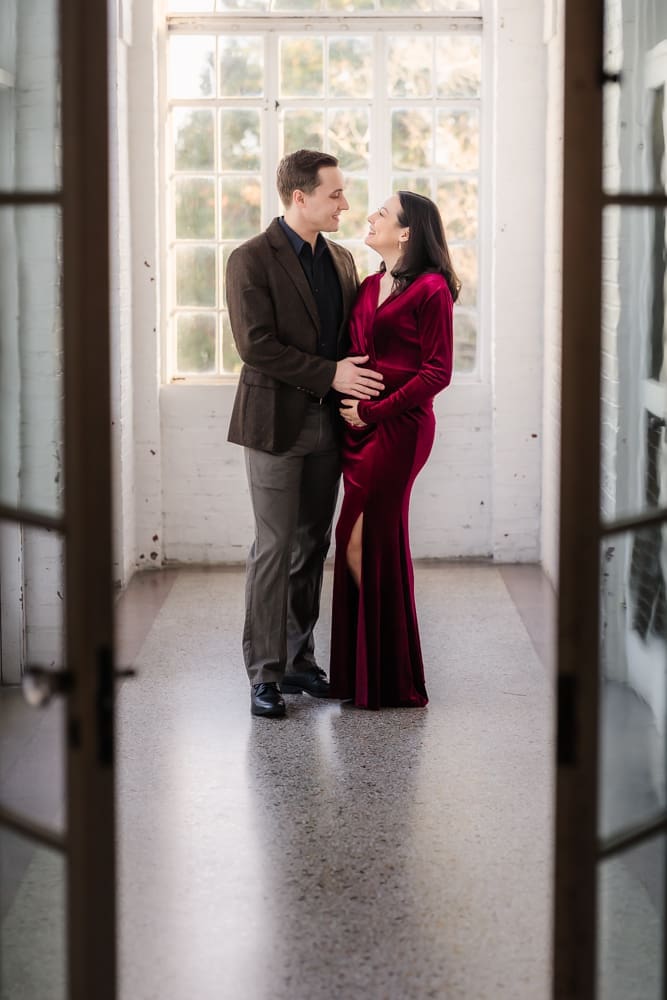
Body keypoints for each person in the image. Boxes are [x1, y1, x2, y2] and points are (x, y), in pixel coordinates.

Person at [226, 149, 384, 719]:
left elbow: (350, 336)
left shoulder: (342, 260)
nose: (345, 202)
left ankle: (298, 660)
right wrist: (331, 373)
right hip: (274, 425)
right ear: (301, 197)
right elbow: (256, 346)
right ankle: (264, 675)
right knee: (273, 545)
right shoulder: (249, 259)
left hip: (329, 425)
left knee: (311, 545)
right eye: (335, 193)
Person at [329, 190, 458, 710]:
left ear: (406, 232)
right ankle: (378, 673)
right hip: (356, 431)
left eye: (381, 212)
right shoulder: (366, 286)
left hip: (399, 429)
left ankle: (390, 669)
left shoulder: (431, 290)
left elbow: (437, 372)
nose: (370, 216)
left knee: (358, 541)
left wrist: (373, 412)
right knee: (369, 542)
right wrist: (349, 403)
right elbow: (353, 356)